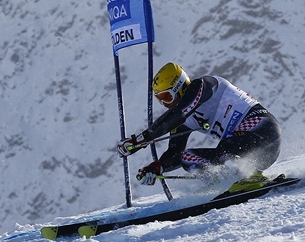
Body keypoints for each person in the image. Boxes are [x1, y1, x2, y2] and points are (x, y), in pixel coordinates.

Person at [117, 62, 282, 192]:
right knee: (187, 158)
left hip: (263, 132)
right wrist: (157, 167)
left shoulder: (203, 85)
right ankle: (227, 182)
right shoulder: (183, 119)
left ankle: (249, 177)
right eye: (160, 99)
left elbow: (178, 114)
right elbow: (175, 152)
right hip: (247, 154)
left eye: (167, 96)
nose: (165, 104)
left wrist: (141, 139)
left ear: (179, 88)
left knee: (226, 147)